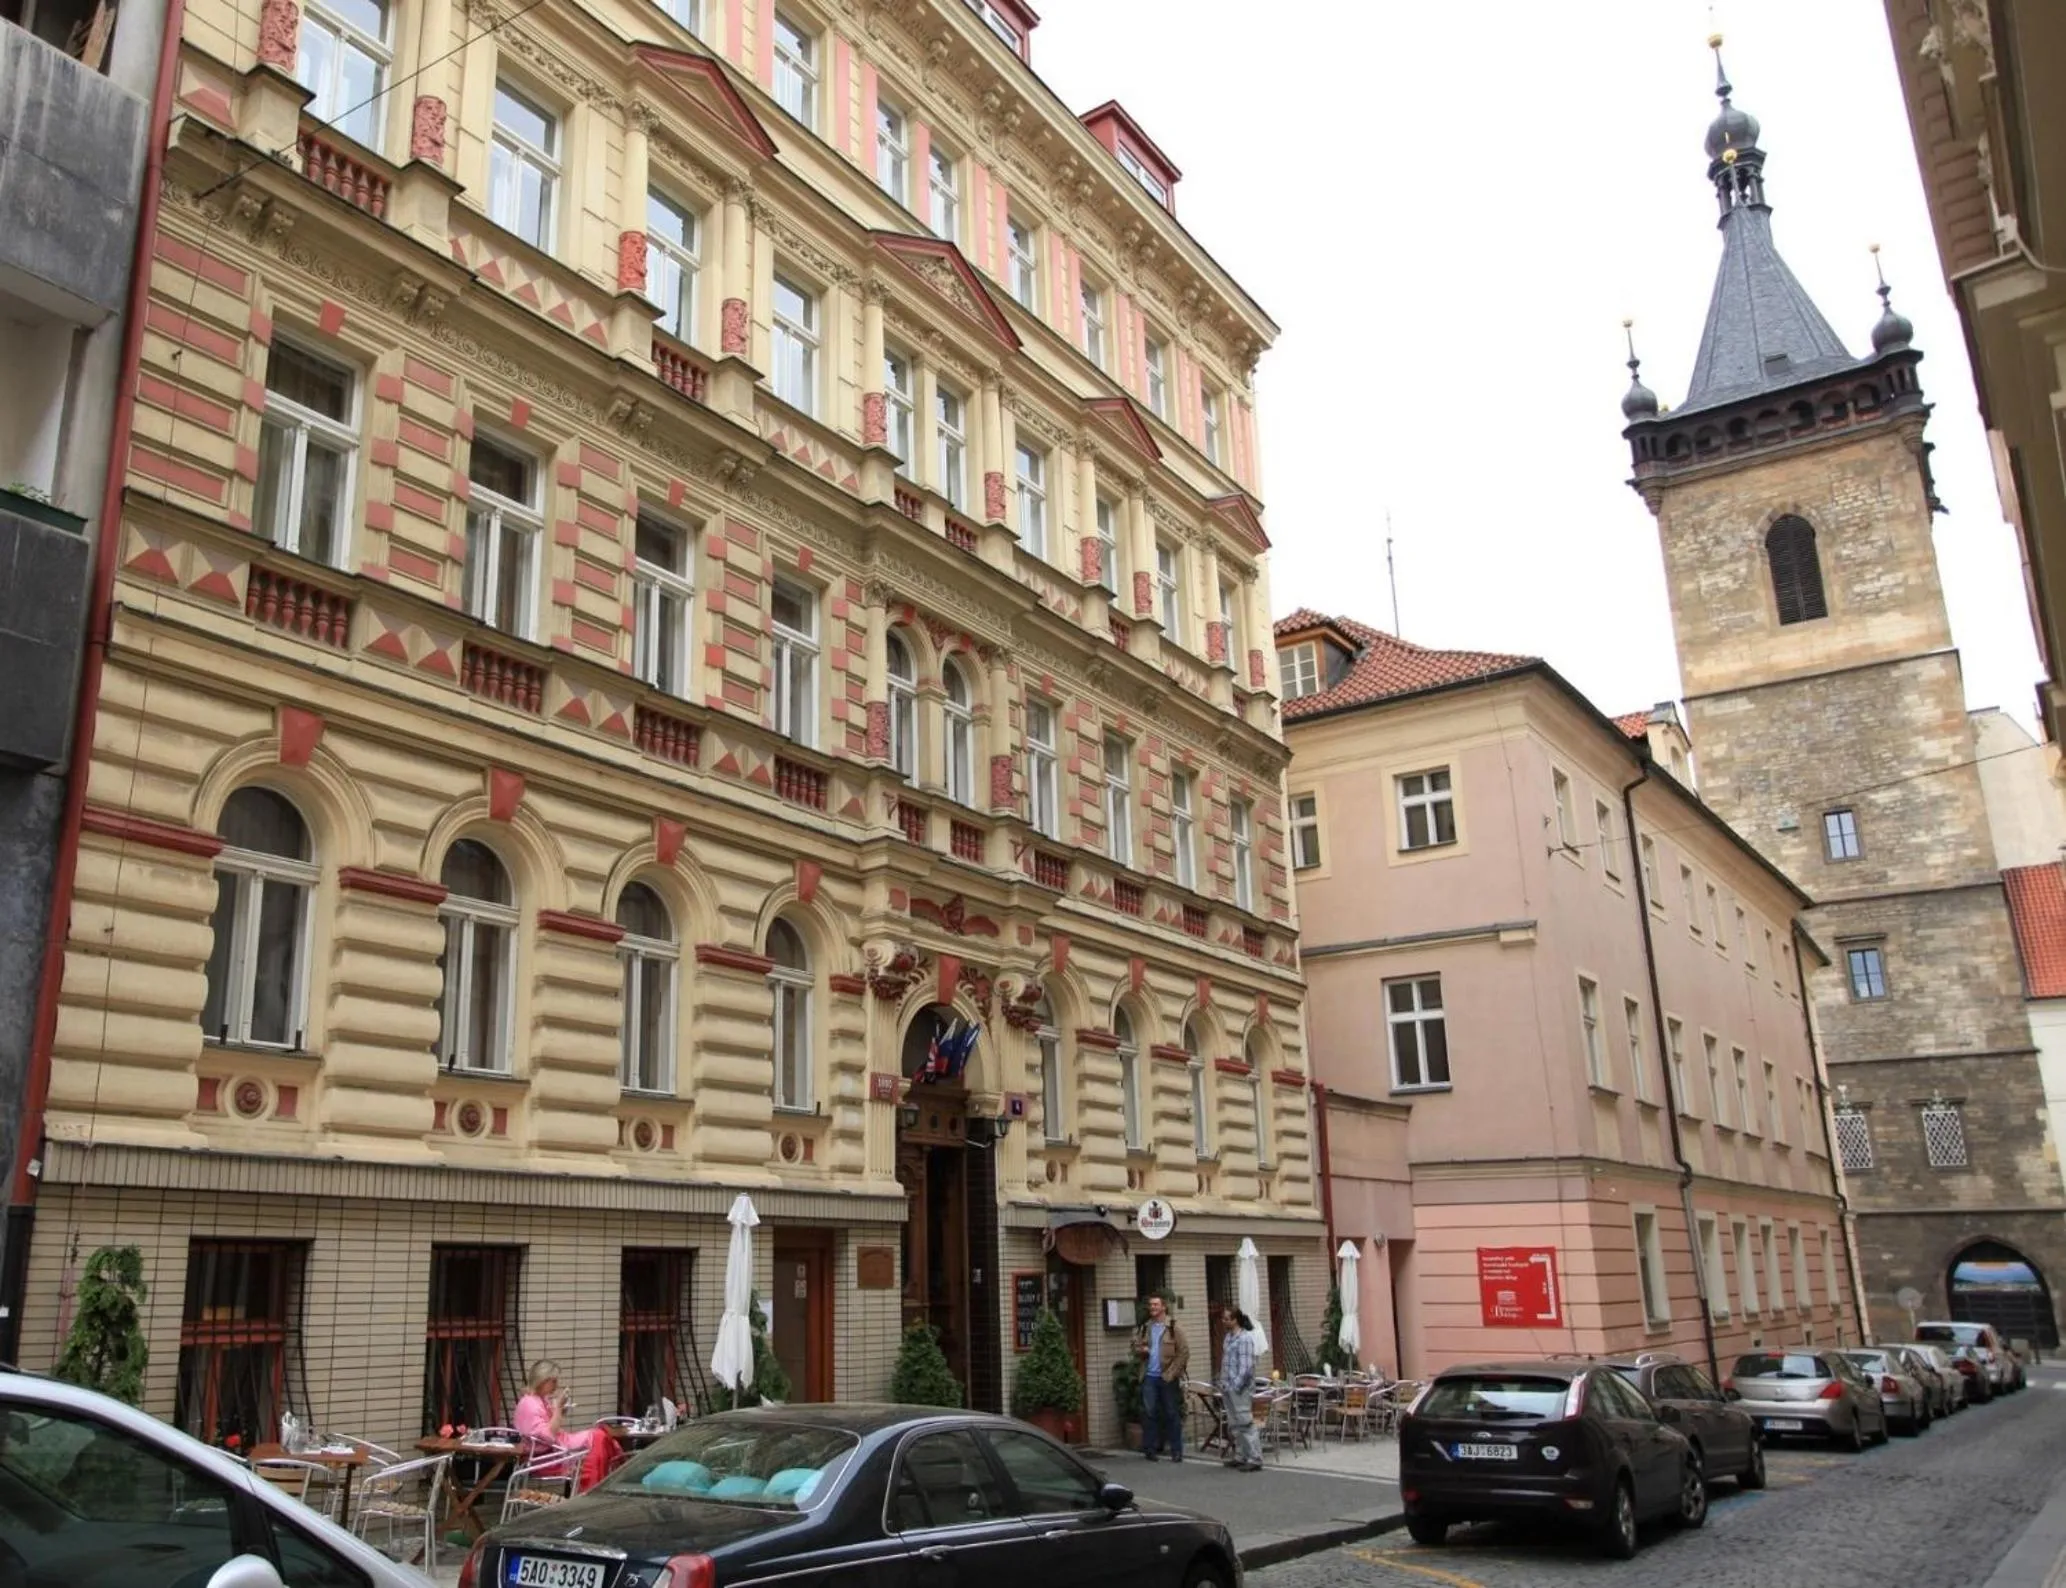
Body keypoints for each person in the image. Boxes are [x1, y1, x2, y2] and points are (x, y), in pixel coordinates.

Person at [515, 1361, 623, 1491]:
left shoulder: (537, 1400)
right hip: (546, 1457)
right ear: (542, 1380)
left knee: (601, 1435)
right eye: (554, 1381)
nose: (556, 1385)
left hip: (554, 1450)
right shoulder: (530, 1404)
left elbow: (550, 1428)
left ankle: (598, 1482)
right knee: (599, 1436)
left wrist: (559, 1410)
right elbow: (548, 1436)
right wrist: (558, 1408)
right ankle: (596, 1484)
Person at [1131, 1294, 1190, 1462]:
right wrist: (1141, 1350)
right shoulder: (1146, 1327)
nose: (1152, 1308)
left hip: (1166, 1377)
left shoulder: (1173, 1327)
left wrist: (1171, 1374)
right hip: (1149, 1376)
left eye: (1156, 1305)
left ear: (1163, 1307)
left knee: (1171, 1413)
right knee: (1149, 1413)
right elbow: (1135, 1346)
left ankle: (1176, 1451)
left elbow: (1183, 1352)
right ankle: (1150, 1449)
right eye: (1151, 1305)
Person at [1217, 1307, 1263, 1471]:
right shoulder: (1228, 1338)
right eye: (1223, 1319)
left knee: (1245, 1422)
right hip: (1227, 1385)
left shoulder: (1245, 1339)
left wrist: (1235, 1385)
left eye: (1226, 1319)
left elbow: (1246, 1367)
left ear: (1235, 1320)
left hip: (1240, 1388)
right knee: (1234, 1423)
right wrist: (1223, 1383)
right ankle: (1241, 1455)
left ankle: (1255, 1458)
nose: (1224, 1322)